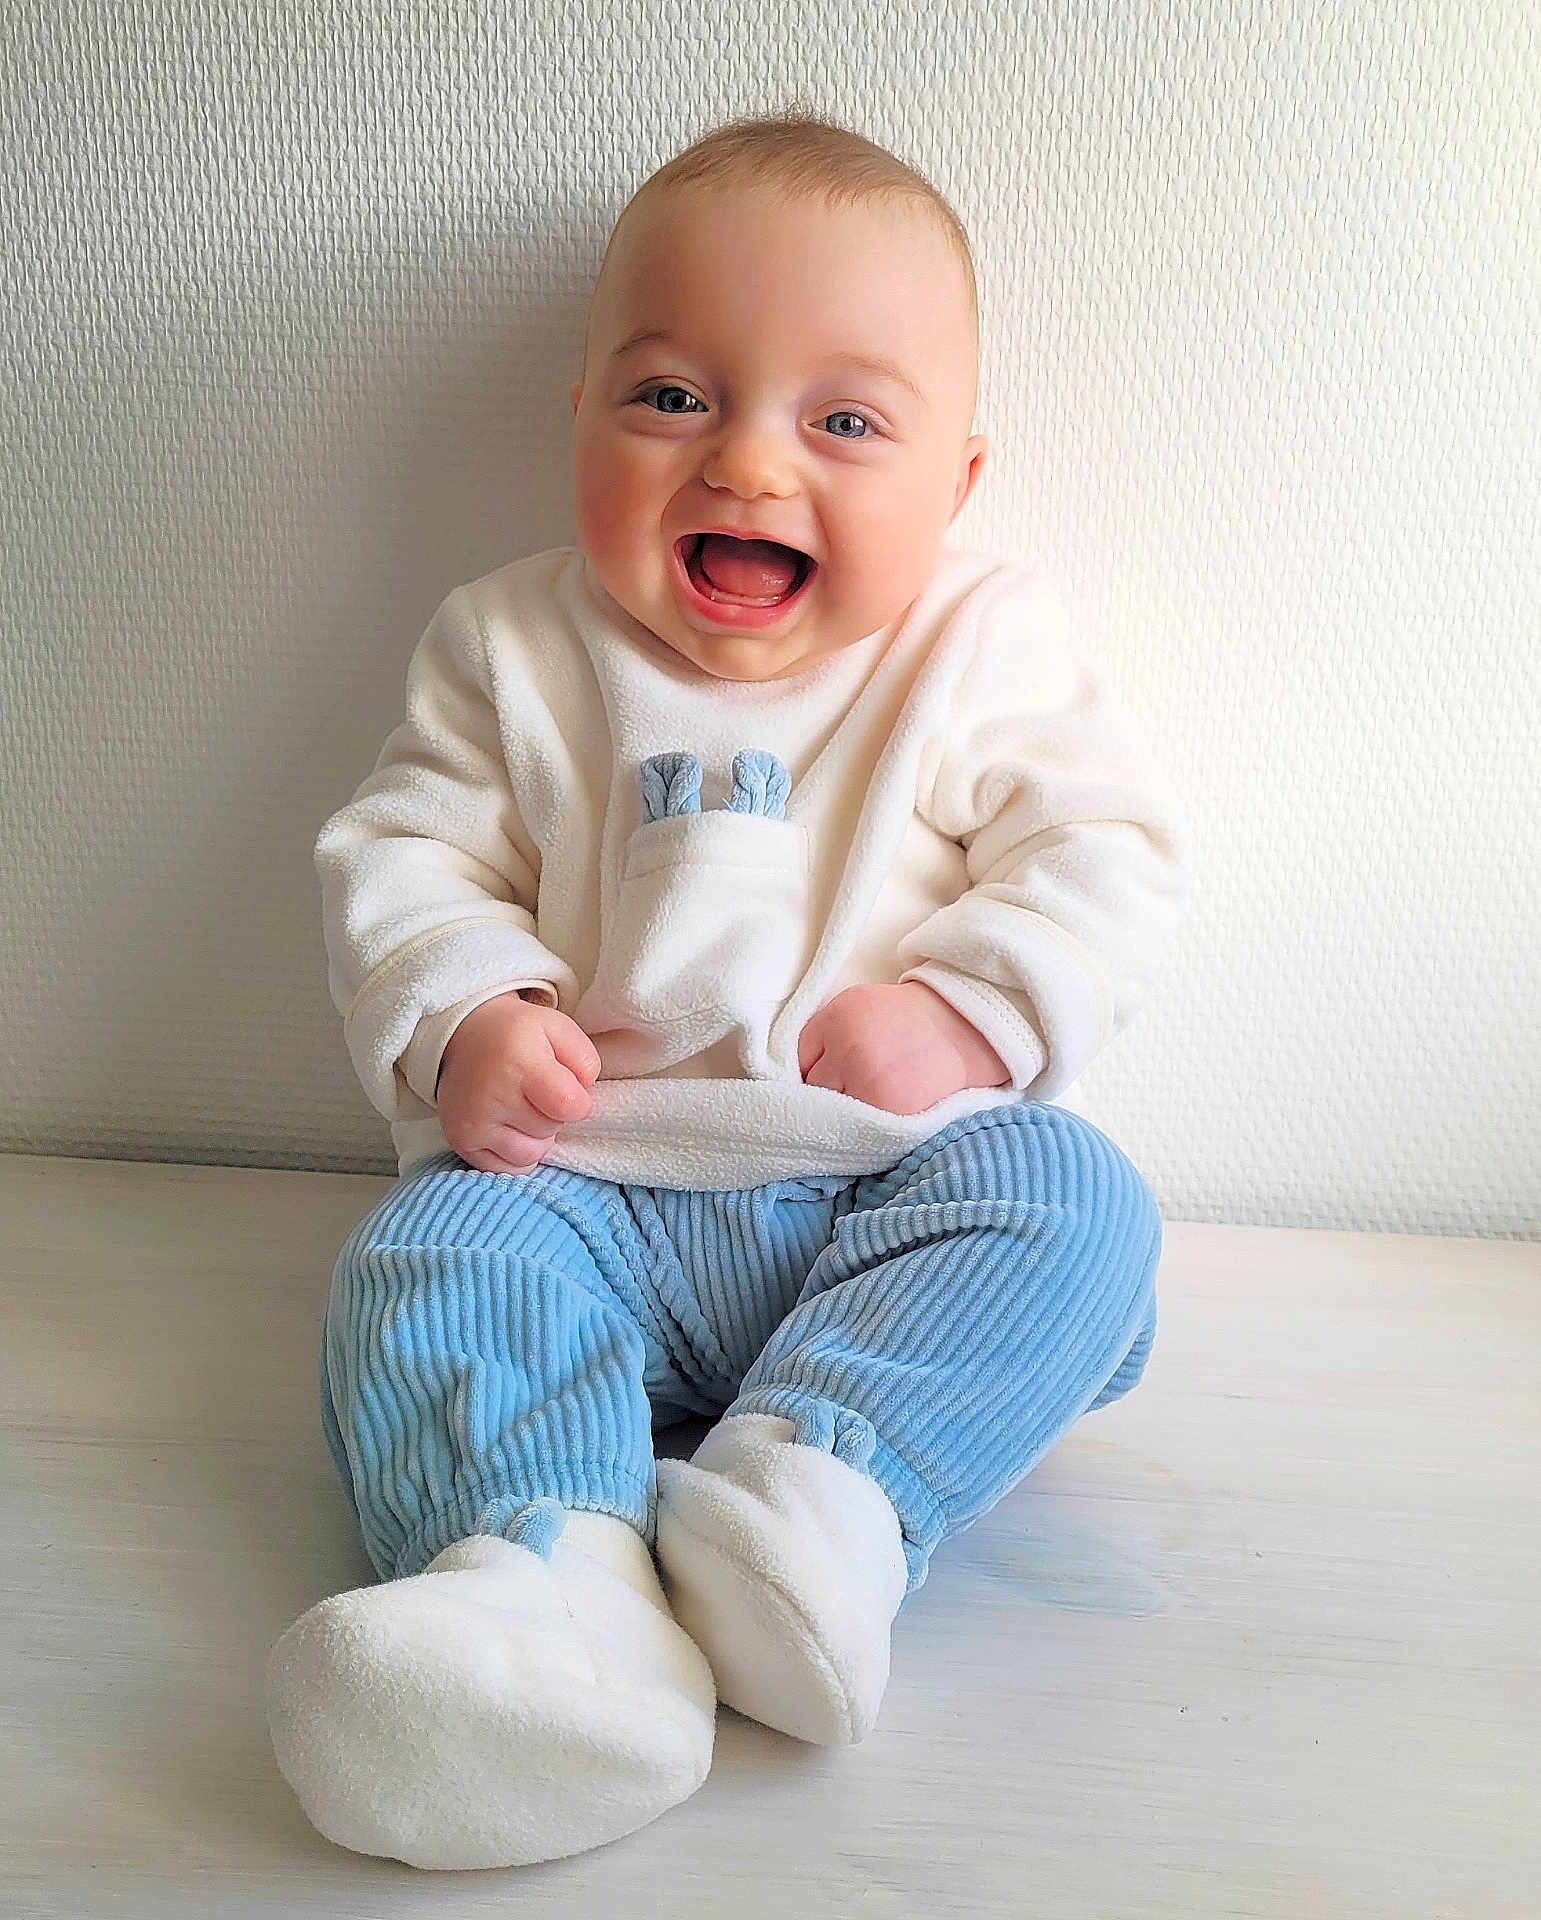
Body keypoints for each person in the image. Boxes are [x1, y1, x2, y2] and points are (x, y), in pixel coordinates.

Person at [266, 110, 1190, 1872]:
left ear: (958, 484)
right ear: (580, 424)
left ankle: (814, 1499)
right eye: (673, 398)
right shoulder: (510, 643)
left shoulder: (979, 646)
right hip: (588, 1186)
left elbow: (1106, 854)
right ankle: (546, 1596)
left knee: (1074, 1203)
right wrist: (469, 1008)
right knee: (428, 1259)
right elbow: (400, 855)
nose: (749, 468)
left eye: (843, 422)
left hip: (878, 1186)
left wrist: (973, 1009)